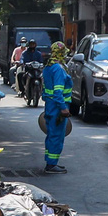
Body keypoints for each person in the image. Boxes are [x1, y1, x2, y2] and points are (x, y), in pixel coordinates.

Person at [41, 41, 74, 173]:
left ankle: (50, 162)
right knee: (57, 136)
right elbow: (58, 91)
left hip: (50, 105)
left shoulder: (49, 67)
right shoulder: (59, 69)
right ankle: (51, 164)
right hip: (57, 107)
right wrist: (63, 108)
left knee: (51, 134)